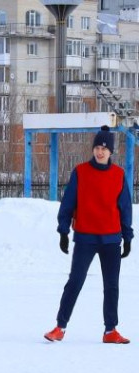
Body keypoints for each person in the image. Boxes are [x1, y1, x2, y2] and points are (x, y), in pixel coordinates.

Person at [44, 125, 133, 344]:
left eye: (104, 148)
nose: (100, 151)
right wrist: (63, 231)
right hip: (85, 237)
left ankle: (110, 330)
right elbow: (68, 203)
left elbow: (125, 208)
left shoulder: (118, 175)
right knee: (75, 281)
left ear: (111, 151)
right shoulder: (81, 171)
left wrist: (128, 236)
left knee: (111, 285)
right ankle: (60, 327)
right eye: (97, 147)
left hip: (111, 239)